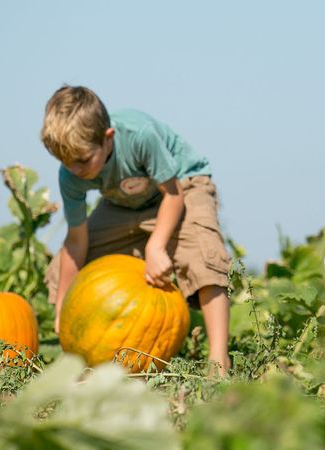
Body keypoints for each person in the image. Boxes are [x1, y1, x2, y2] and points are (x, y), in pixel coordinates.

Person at [41, 85, 232, 376]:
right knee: (63, 269)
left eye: (82, 160)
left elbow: (174, 194)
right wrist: (63, 309)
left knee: (203, 256)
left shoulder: (139, 136)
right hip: (122, 202)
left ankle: (219, 362)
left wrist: (156, 246)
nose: (74, 170)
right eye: (65, 162)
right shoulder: (70, 173)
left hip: (182, 185)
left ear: (108, 139)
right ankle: (86, 362)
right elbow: (76, 241)